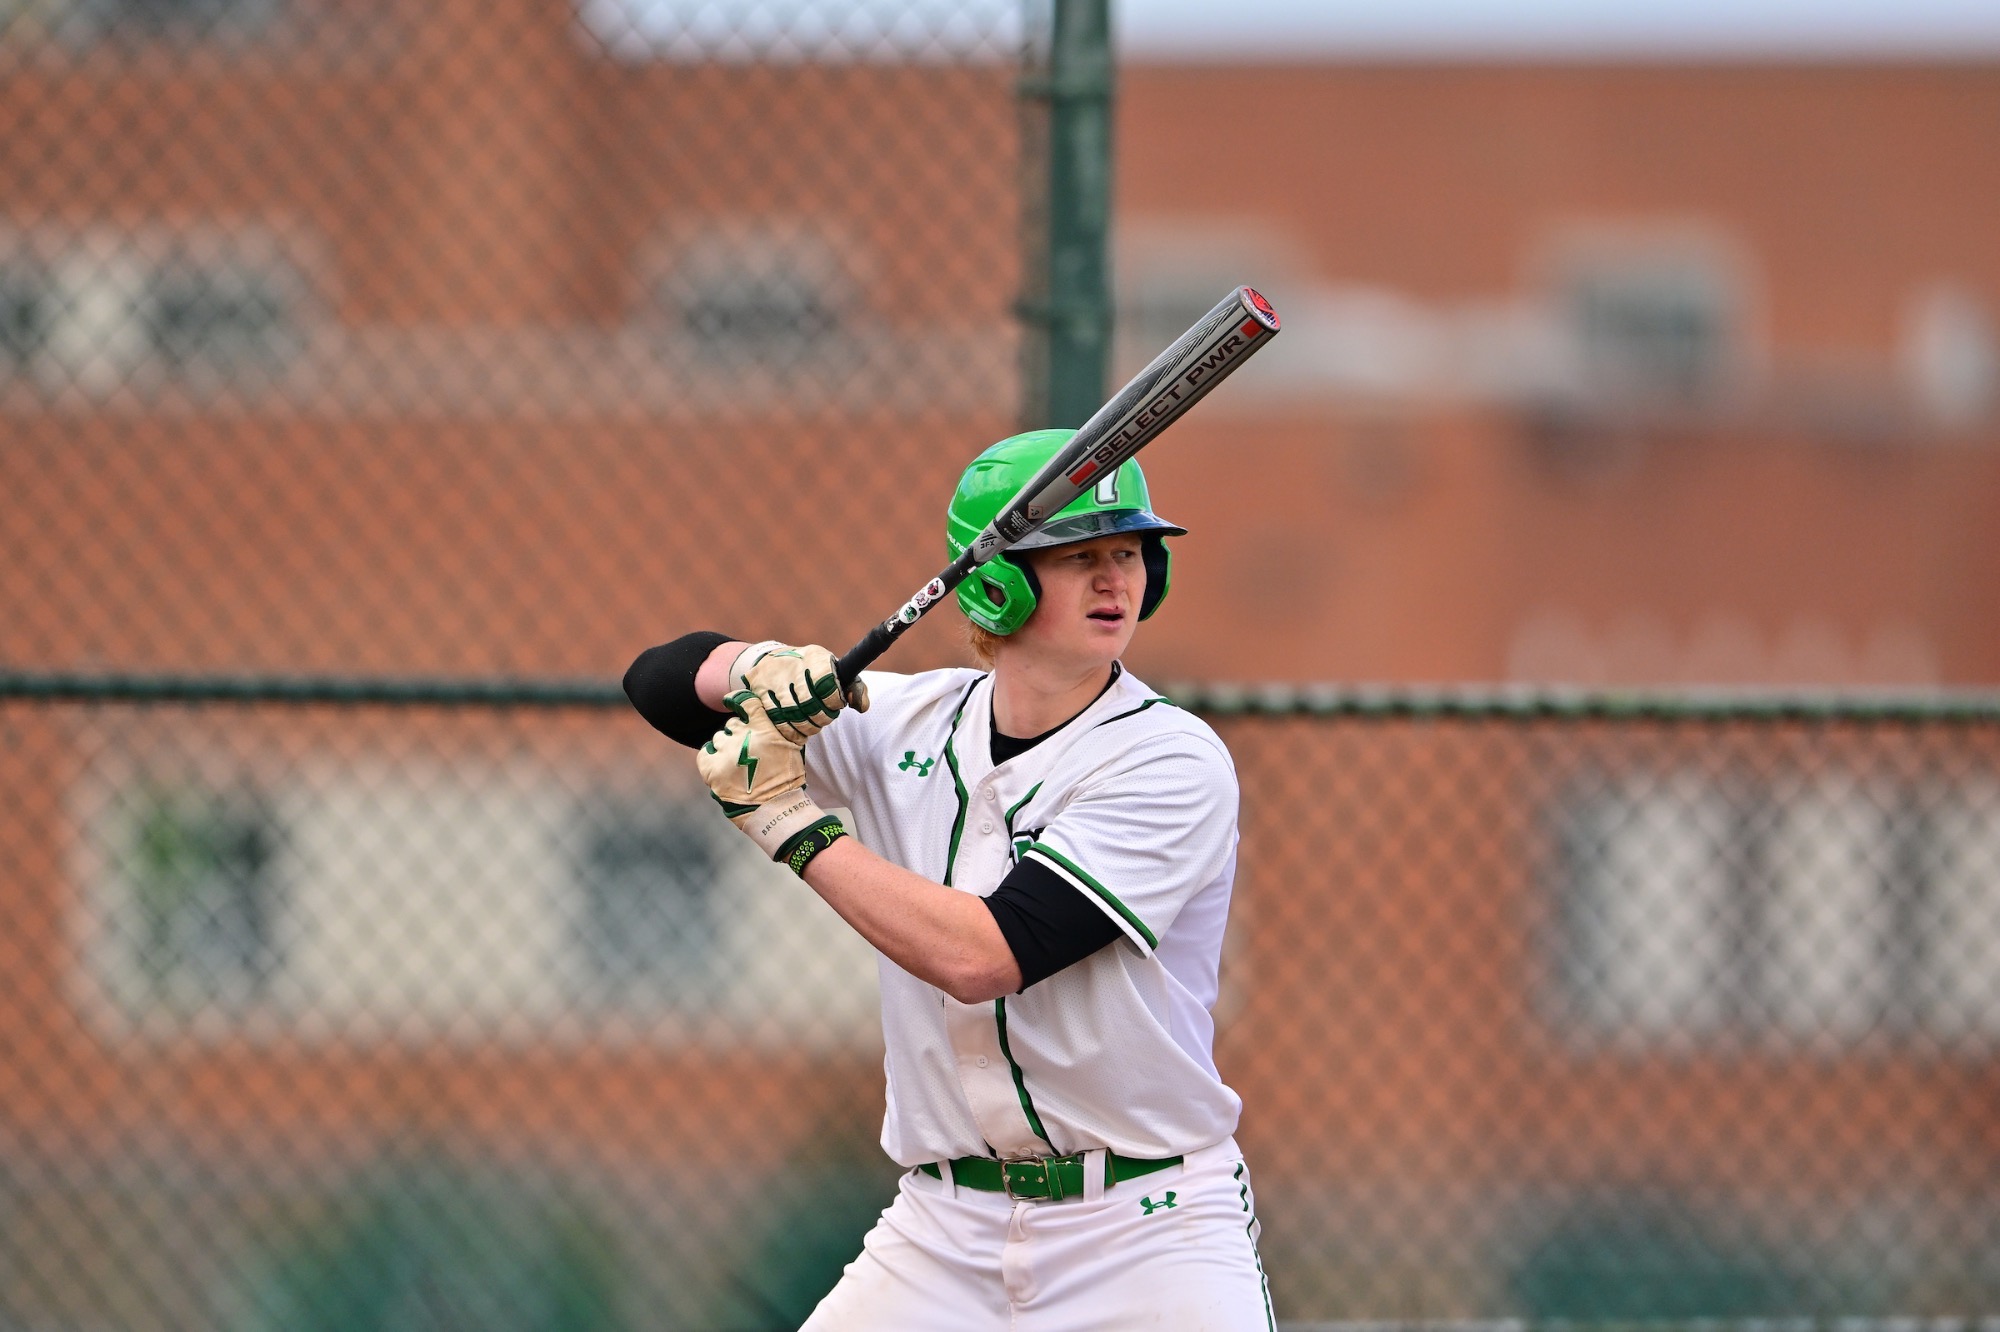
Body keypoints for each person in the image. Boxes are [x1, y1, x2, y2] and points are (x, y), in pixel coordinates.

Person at [623, 430, 1272, 1331]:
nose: (1114, 580)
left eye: (1127, 552)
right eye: (1077, 556)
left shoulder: (1170, 759)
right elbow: (658, 681)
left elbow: (987, 955)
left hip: (1145, 1228)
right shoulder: (907, 719)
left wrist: (789, 825)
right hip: (945, 1227)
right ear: (995, 582)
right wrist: (761, 667)